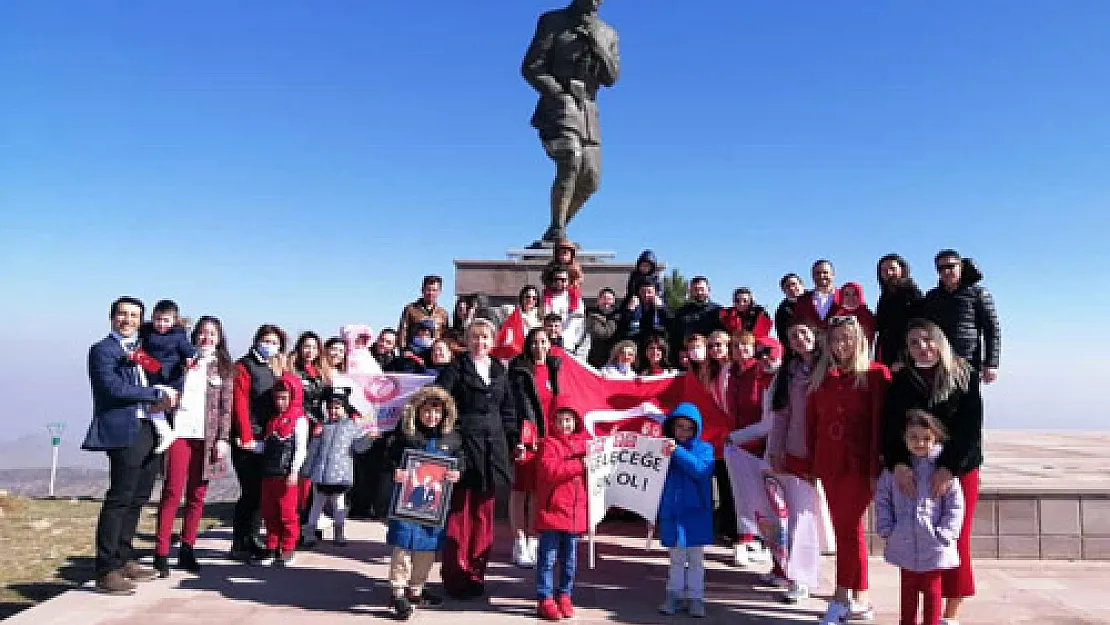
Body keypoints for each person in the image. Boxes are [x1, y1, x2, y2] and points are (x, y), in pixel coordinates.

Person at [881, 318, 983, 625]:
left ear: (940, 341)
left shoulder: (963, 375)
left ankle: (949, 614)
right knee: (914, 542)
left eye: (928, 340)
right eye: (914, 342)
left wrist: (949, 468)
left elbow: (970, 429)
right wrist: (897, 464)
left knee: (955, 541)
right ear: (907, 349)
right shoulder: (901, 381)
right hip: (912, 471)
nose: (923, 347)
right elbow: (890, 426)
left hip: (956, 470)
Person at [83, 296, 179, 594]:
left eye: (134, 316)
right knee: (119, 498)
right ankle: (106, 569)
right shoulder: (103, 350)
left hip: (148, 428)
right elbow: (112, 388)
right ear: (112, 317)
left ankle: (124, 558)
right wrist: (153, 394)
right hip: (124, 430)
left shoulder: (139, 350)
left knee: (139, 496)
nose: (128, 320)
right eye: (122, 314)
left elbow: (159, 373)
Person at [806, 315, 891, 624]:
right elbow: (812, 423)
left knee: (847, 528)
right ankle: (863, 597)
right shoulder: (822, 377)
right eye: (835, 339)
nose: (841, 345)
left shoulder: (874, 375)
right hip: (830, 464)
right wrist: (813, 463)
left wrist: (874, 468)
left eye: (847, 338)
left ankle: (841, 597)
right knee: (849, 530)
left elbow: (879, 425)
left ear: (859, 341)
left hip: (859, 466)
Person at [522, 0, 620, 243]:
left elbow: (611, 77)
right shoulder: (553, 21)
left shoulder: (608, 32)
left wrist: (598, 46)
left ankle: (555, 228)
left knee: (590, 179)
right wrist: (559, 93)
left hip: (588, 109)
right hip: (560, 103)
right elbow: (531, 67)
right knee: (571, 159)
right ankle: (558, 231)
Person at [435, 319, 517, 599]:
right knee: (460, 513)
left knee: (484, 516)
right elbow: (440, 402)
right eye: (475, 337)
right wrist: (448, 441)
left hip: (493, 449)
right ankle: (455, 575)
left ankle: (476, 572)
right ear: (467, 340)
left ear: (492, 340)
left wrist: (514, 441)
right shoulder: (455, 368)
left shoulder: (499, 370)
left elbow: (508, 410)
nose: (480, 342)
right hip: (464, 446)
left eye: (485, 337)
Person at [153, 315, 234, 577]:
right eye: (202, 332)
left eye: (212, 333)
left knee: (197, 496)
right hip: (179, 434)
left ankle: (187, 548)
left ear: (219, 338)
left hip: (207, 439)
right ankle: (161, 551)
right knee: (172, 492)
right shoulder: (183, 362)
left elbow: (226, 408)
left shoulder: (223, 368)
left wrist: (223, 438)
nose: (206, 337)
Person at [876, 410, 965, 625]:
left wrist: (945, 533)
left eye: (926, 438)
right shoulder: (895, 471)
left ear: (935, 439)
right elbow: (882, 499)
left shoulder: (942, 471)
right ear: (905, 438)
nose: (920, 443)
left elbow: (955, 505)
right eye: (914, 438)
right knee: (907, 590)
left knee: (933, 590)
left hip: (934, 543)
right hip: (904, 541)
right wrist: (887, 528)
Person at [384, 385, 466, 619]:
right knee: (402, 546)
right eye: (426, 411)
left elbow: (461, 460)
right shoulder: (406, 435)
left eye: (436, 412)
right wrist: (395, 470)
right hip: (407, 502)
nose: (431, 417)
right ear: (418, 412)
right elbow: (389, 457)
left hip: (433, 506)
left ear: (444, 413)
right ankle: (397, 590)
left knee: (427, 547)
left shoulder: (452, 438)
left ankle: (416, 588)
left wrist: (457, 472)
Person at [763, 322, 825, 604]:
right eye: (793, 336)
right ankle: (794, 574)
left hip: (823, 454)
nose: (799, 339)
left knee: (806, 520)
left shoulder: (828, 368)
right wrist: (776, 450)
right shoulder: (788, 373)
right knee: (795, 517)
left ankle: (803, 578)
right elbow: (781, 415)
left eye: (804, 333)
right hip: (793, 453)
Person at [229, 324, 288, 561]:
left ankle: (251, 538)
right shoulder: (244, 366)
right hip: (248, 439)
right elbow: (240, 404)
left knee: (259, 493)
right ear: (256, 340)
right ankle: (240, 542)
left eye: (275, 342)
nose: (270, 345)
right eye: (267, 340)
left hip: (267, 437)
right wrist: (246, 437)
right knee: (250, 491)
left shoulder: (272, 367)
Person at [507, 328, 564, 569]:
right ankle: (519, 541)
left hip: (550, 438)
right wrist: (517, 437)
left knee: (540, 491)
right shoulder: (519, 370)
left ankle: (533, 538)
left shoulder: (557, 368)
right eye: (534, 342)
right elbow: (513, 405)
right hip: (527, 435)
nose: (539, 346)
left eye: (544, 342)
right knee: (521, 490)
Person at [240, 376, 308, 567]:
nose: (280, 402)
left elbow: (301, 448)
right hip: (268, 474)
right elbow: (266, 446)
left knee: (287, 514)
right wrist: (249, 445)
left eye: (284, 398)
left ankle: (287, 548)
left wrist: (294, 470)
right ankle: (272, 546)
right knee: (269, 513)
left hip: (286, 475)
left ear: (293, 397)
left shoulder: (299, 420)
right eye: (278, 398)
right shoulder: (272, 421)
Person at [656, 402, 715, 618]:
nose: (683, 432)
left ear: (696, 429)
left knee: (696, 559)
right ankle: (674, 595)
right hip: (672, 512)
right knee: (676, 559)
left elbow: (701, 470)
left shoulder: (705, 449)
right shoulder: (662, 448)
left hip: (696, 514)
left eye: (689, 428)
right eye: (679, 426)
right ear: (672, 426)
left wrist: (677, 452)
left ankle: (696, 598)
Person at [534, 406, 590, 621]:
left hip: (575, 514)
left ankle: (565, 594)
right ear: (553, 422)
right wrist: (579, 464)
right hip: (553, 512)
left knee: (570, 560)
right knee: (547, 559)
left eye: (569, 420)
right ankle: (544, 598)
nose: (565, 425)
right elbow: (550, 472)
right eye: (560, 420)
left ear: (576, 422)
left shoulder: (584, 445)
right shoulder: (548, 444)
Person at [300, 388, 374, 547]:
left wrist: (369, 438)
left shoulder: (352, 427)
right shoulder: (322, 427)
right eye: (330, 407)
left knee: (339, 505)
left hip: (341, 476)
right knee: (316, 505)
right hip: (320, 475)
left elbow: (359, 447)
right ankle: (309, 534)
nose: (333, 411)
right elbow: (313, 450)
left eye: (337, 407)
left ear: (345, 409)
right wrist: (307, 470)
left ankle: (339, 533)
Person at [920, 250, 1001, 384]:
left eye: (951, 266)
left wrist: (991, 363)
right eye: (941, 268)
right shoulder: (932, 297)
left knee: (969, 402)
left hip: (967, 362)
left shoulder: (978, 293)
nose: (946, 271)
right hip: (937, 361)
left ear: (961, 267)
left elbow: (992, 329)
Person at [136, 299, 198, 454]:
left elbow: (189, 351)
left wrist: (190, 360)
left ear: (174, 320)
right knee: (151, 404)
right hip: (152, 374)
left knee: (155, 406)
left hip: (170, 379)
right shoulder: (146, 331)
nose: (161, 324)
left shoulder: (178, 335)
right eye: (158, 319)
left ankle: (166, 433)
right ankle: (163, 433)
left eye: (166, 320)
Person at [874, 254, 924, 367]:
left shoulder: (912, 294)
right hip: (886, 353)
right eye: (884, 270)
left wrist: (903, 357)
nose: (888, 273)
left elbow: (917, 327)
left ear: (902, 270)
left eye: (892, 269)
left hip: (905, 358)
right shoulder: (885, 296)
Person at [542, 264, 589, 359]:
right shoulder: (545, 298)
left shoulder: (575, 298)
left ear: (568, 281)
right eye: (556, 279)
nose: (560, 282)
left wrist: (569, 340)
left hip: (568, 345)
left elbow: (579, 323)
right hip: (547, 345)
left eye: (563, 280)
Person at [674, 276, 723, 357]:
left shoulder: (719, 311)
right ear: (691, 291)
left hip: (712, 356)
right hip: (688, 356)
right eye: (696, 290)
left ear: (708, 290)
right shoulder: (681, 312)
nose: (699, 292)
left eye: (702, 289)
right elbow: (676, 336)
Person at [617, 278, 672, 349]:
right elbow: (621, 328)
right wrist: (629, 310)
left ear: (655, 293)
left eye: (649, 292)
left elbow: (670, 325)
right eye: (643, 292)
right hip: (635, 344)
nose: (646, 295)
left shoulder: (662, 306)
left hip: (655, 345)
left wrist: (661, 308)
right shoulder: (630, 304)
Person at [398, 275, 450, 349]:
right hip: (414, 354)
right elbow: (403, 332)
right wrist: (403, 350)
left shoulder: (443, 314)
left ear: (439, 292)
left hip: (435, 355)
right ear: (422, 290)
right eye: (428, 289)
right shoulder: (410, 309)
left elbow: (446, 336)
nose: (431, 293)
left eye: (434, 290)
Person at [493, 285, 543, 361]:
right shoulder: (511, 313)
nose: (530, 300)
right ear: (522, 298)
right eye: (528, 297)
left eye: (534, 298)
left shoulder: (539, 319)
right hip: (515, 354)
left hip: (533, 354)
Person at [794, 260, 840, 331]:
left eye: (825, 272)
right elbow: (797, 325)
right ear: (812, 276)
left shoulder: (844, 297)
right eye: (817, 273)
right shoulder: (803, 300)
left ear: (833, 275)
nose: (821, 276)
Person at [832, 282, 876, 347]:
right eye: (847, 294)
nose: (851, 297)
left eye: (855, 294)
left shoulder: (868, 316)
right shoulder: (835, 317)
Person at [585, 287, 620, 369]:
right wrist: (610, 320)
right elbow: (602, 333)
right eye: (604, 298)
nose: (606, 301)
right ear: (598, 300)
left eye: (609, 299)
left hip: (614, 357)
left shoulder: (618, 315)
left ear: (614, 301)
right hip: (596, 357)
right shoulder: (592, 314)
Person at [774, 274, 807, 354]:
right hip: (798, 352)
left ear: (802, 285)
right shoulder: (782, 311)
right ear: (783, 291)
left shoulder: (815, 300)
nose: (791, 288)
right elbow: (783, 337)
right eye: (787, 287)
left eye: (794, 284)